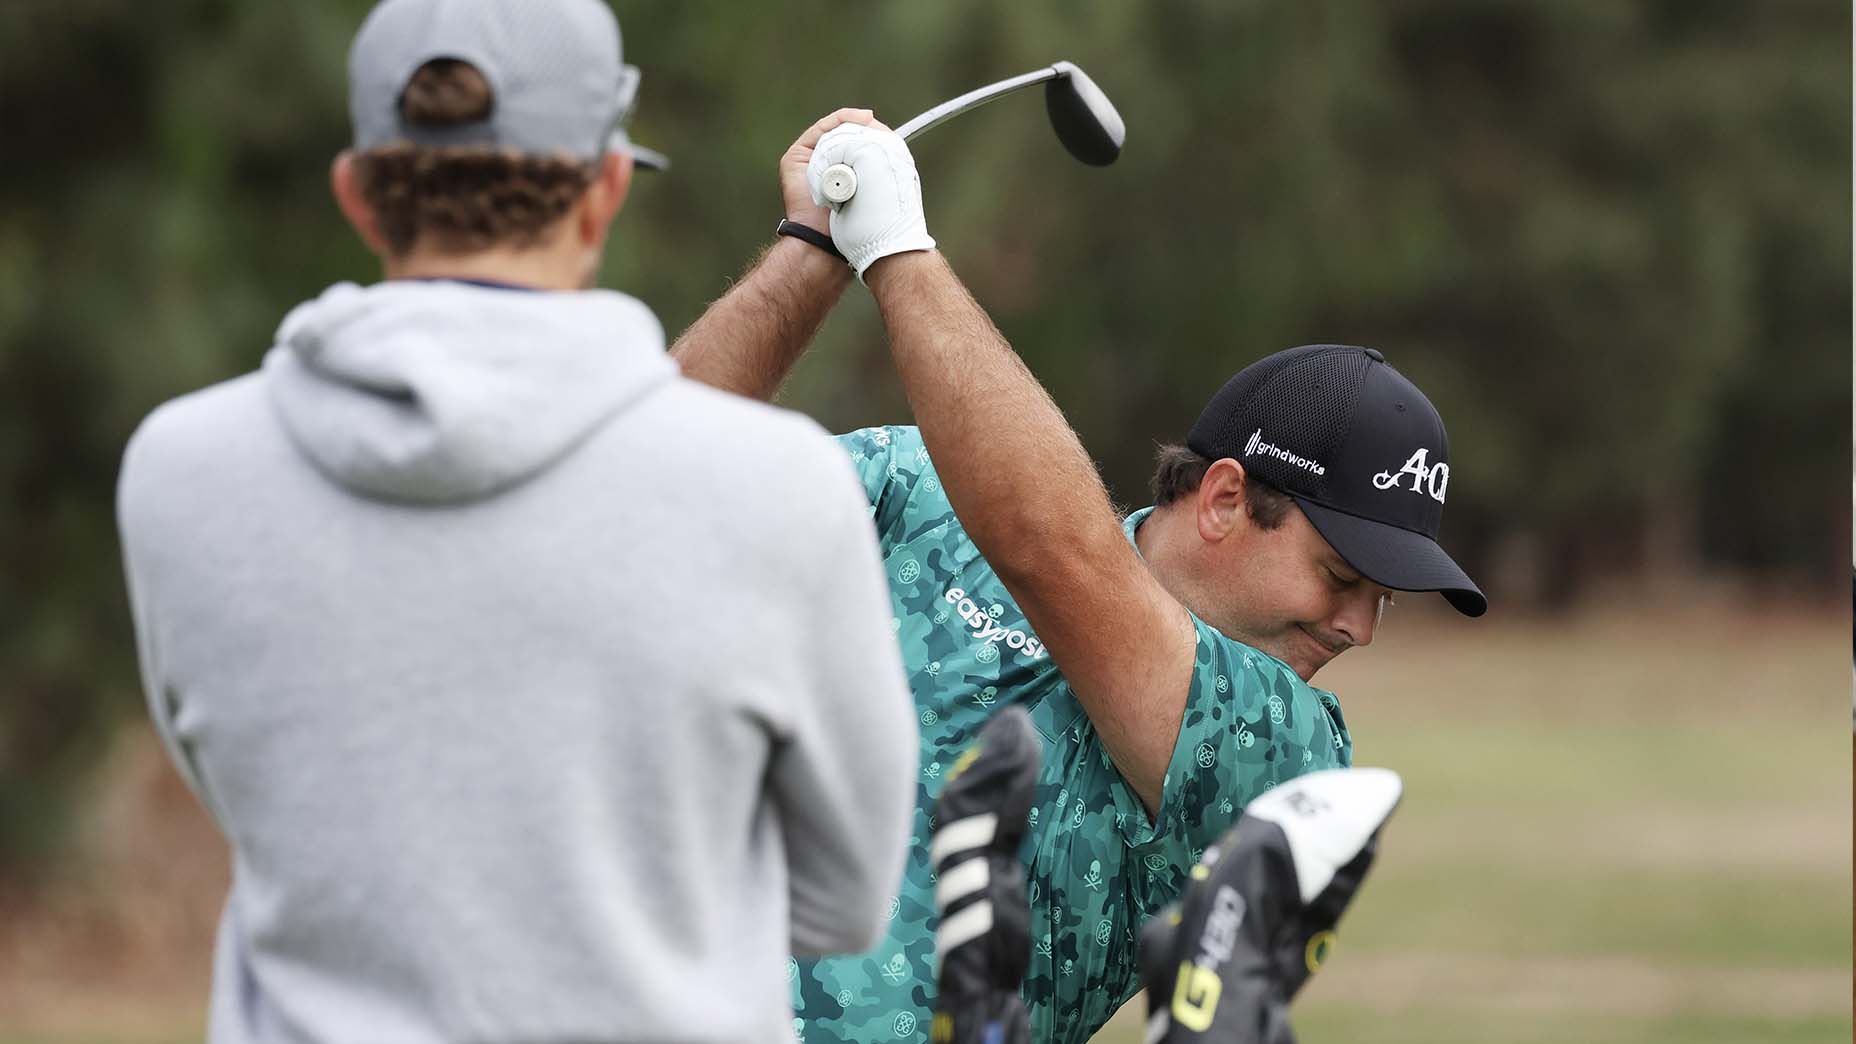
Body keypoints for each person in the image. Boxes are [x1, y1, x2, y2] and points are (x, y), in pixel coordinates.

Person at [115, 4, 917, 1041]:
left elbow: (247, 793)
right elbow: (842, 899)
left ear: (359, 196)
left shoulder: (180, 470)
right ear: (606, 190)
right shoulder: (781, 489)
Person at [670, 114, 1487, 1044]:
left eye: (1385, 597)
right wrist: (811, 252)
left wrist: (895, 249)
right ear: (1223, 501)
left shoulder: (1289, 752)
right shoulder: (909, 487)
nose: (1361, 627)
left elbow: (1055, 559)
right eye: (1342, 575)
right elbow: (644, 489)